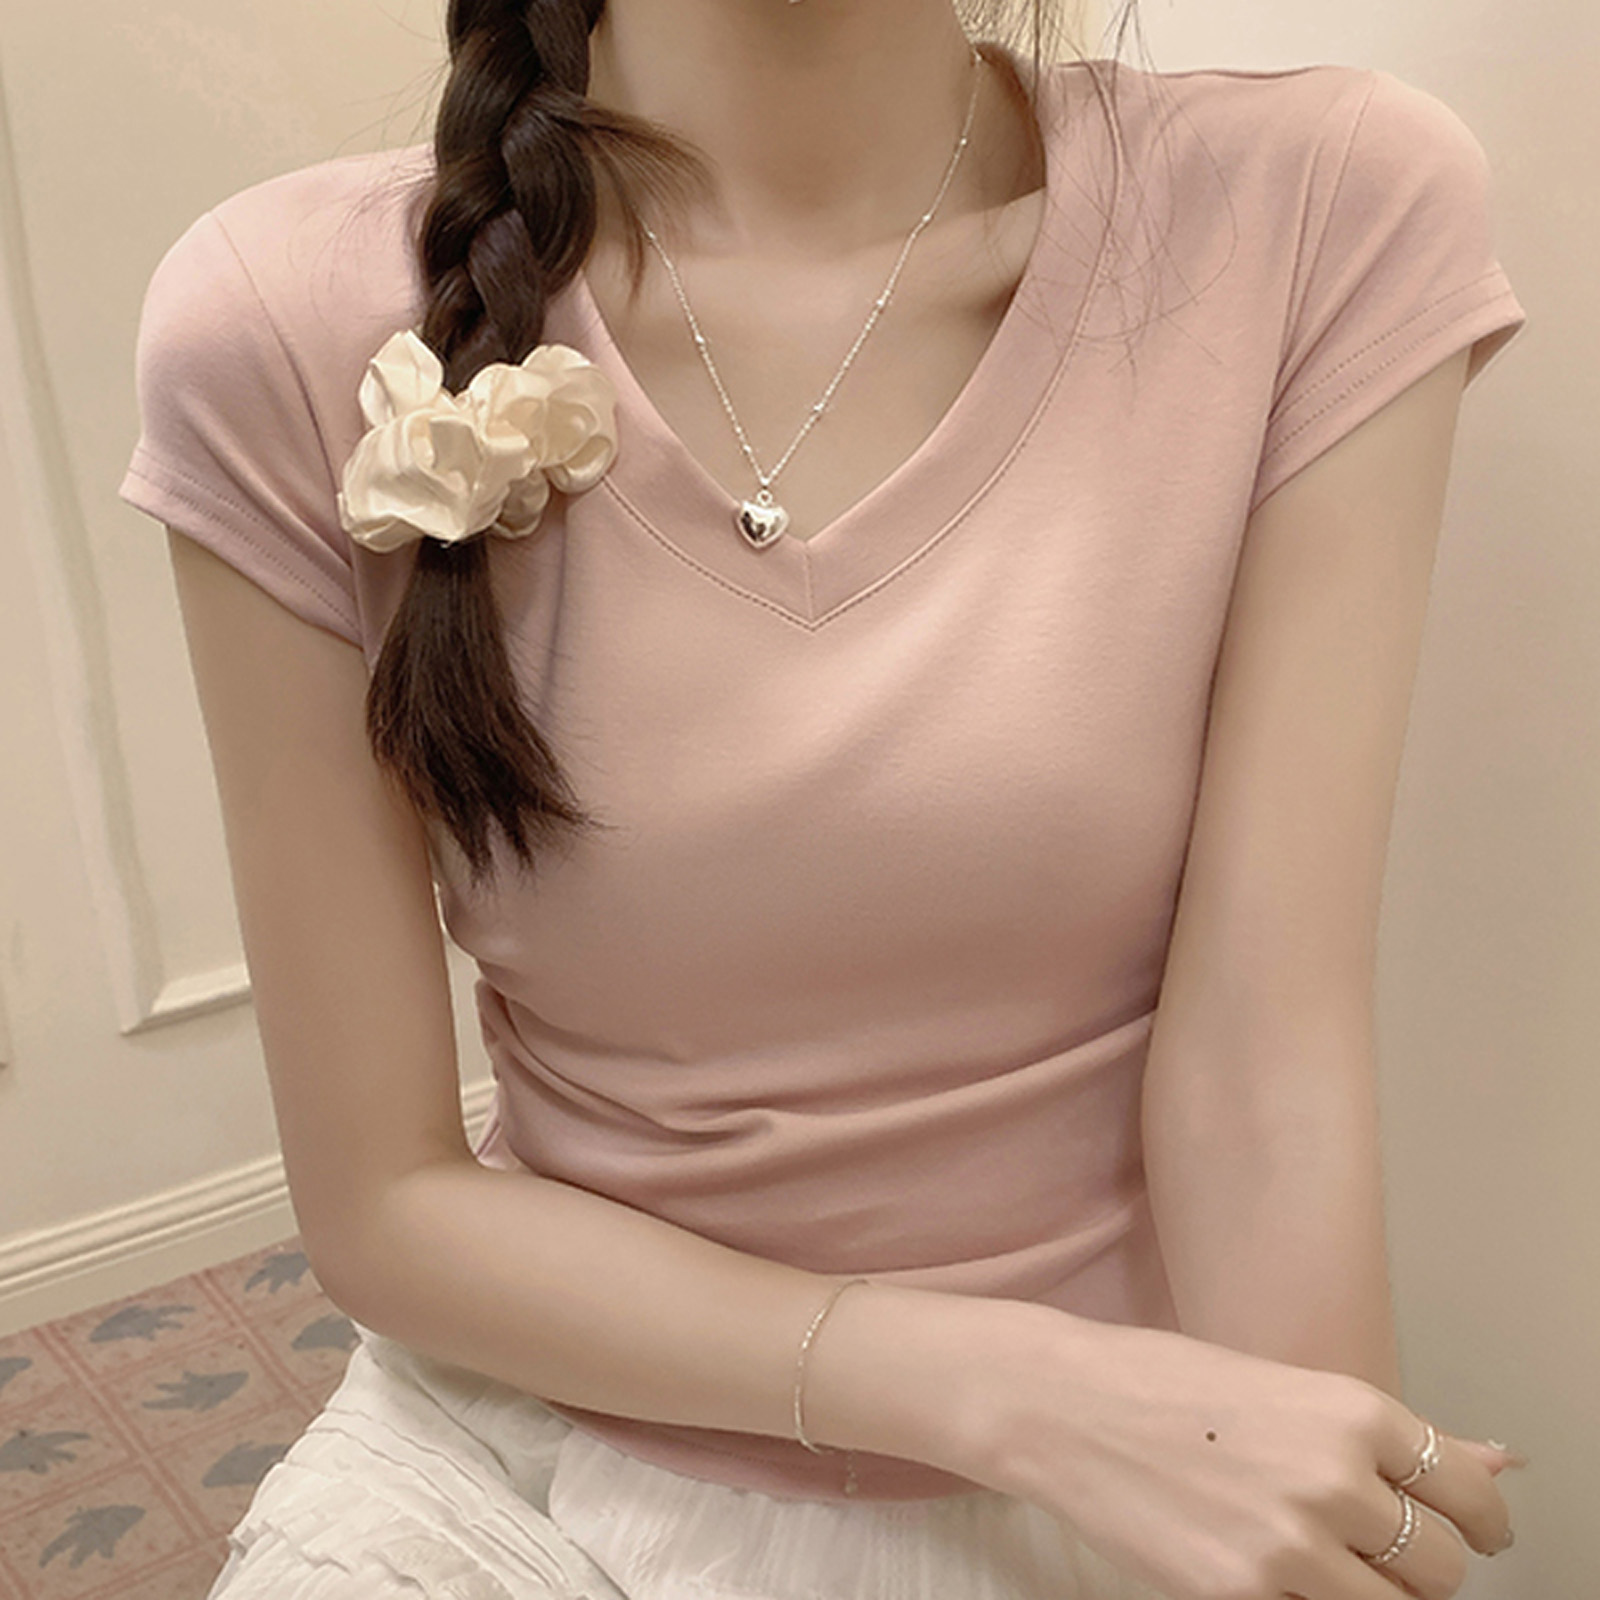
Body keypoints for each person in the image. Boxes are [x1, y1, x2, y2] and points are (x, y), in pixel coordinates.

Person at [117, 0, 1531, 1595]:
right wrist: (1009, 1390)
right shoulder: (278, 320)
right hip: (549, 1447)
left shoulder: (1318, 205)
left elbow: (1264, 1069)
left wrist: (1304, 1505)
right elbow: (384, 1201)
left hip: (1130, 1478)